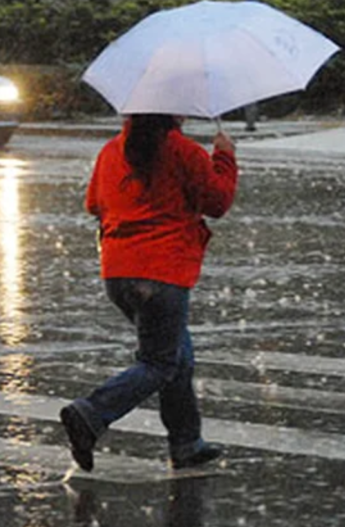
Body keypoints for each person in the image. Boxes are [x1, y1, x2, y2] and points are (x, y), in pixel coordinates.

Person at [60, 113, 238, 472]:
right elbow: (217, 202)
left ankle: (186, 443)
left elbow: (93, 204)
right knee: (159, 362)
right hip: (162, 271)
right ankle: (92, 413)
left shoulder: (112, 151)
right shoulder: (183, 151)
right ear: (173, 112)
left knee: (178, 355)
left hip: (118, 272)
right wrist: (224, 157)